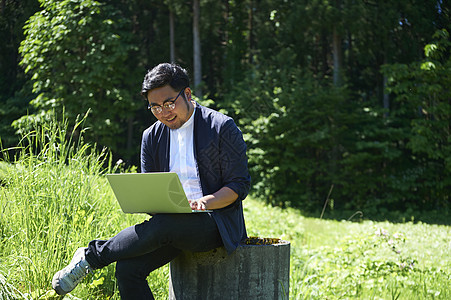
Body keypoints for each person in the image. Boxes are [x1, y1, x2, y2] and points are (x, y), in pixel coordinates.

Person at [52, 63, 251, 299]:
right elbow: (153, 189)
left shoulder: (221, 127)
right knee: (127, 270)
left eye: (169, 103)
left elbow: (238, 185)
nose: (163, 112)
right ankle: (91, 256)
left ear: (187, 94)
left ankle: (92, 256)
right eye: (154, 107)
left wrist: (204, 202)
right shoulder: (151, 136)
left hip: (215, 222)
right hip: (168, 224)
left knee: (166, 224)